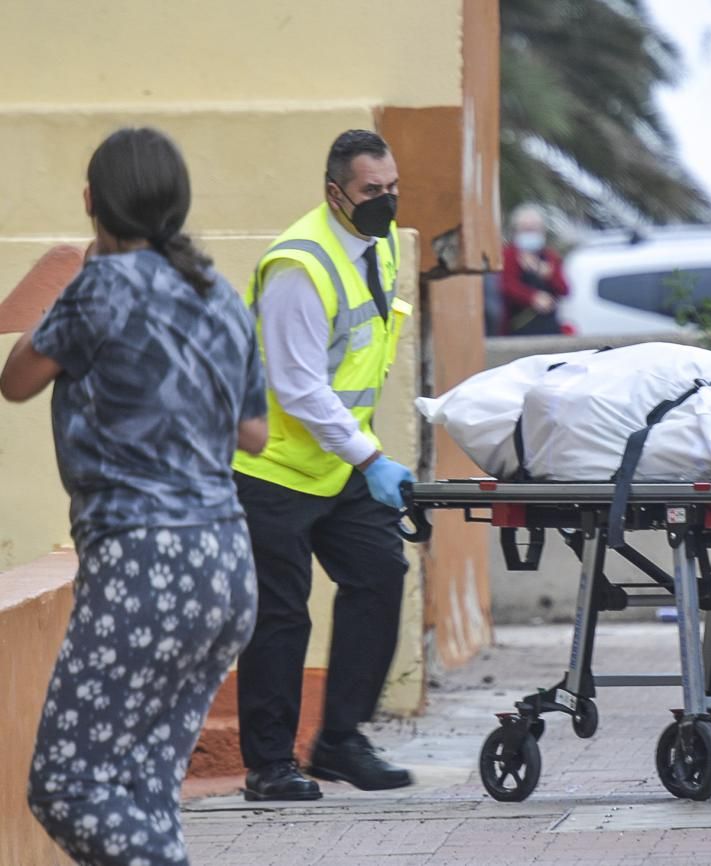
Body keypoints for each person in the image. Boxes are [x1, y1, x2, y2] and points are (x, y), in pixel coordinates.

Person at [2, 127, 267, 865]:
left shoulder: (97, 288)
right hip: (225, 564)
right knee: (142, 784)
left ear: (93, 202)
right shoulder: (219, 294)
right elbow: (253, 434)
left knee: (68, 786)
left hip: (142, 564)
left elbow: (16, 380)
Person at [234, 129, 417, 801]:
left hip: (340, 465)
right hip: (273, 469)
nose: (386, 201)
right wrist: (372, 457)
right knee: (281, 617)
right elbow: (299, 384)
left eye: (392, 188)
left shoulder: (384, 243)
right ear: (335, 192)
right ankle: (269, 766)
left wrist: (363, 454)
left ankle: (339, 740)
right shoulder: (298, 266)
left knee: (380, 574)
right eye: (373, 192)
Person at [500, 204, 569, 335]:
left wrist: (547, 274)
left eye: (534, 229)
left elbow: (564, 289)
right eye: (526, 229)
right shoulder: (508, 256)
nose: (530, 233)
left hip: (548, 325)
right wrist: (532, 297)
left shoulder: (550, 257)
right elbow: (505, 285)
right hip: (517, 326)